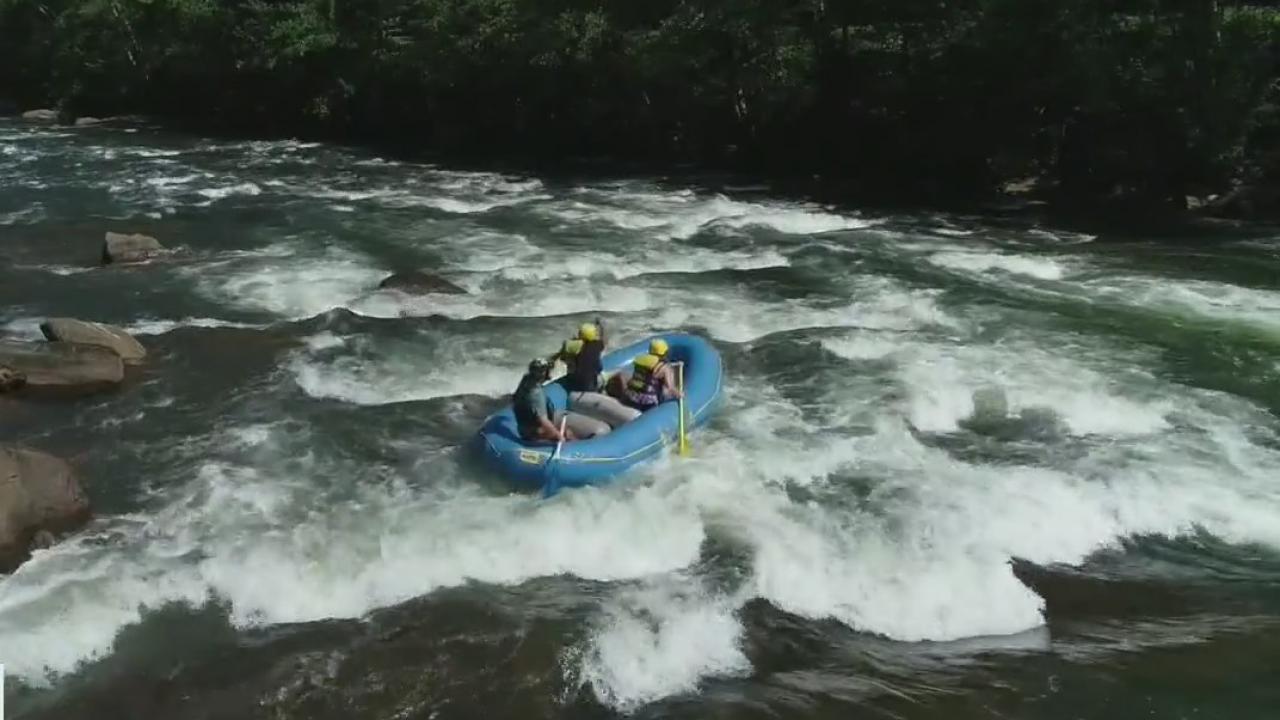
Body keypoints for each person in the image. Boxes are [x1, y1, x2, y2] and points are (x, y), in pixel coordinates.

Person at [551, 318, 641, 427]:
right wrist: (601, 327)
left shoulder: (571, 347)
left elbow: (562, 354)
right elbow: (604, 340)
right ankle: (625, 398)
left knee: (608, 377)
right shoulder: (596, 345)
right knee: (619, 374)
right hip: (591, 385)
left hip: (579, 386)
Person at [512, 358, 609, 443]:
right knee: (568, 435)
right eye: (547, 370)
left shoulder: (526, 381)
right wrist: (559, 437)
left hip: (526, 427)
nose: (550, 372)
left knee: (566, 432)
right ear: (543, 373)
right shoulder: (535, 394)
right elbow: (543, 421)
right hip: (534, 432)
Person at [620, 338, 683, 411]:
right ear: (665, 353)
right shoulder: (665, 368)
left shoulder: (641, 361)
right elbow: (670, 388)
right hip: (647, 403)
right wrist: (680, 394)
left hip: (630, 397)